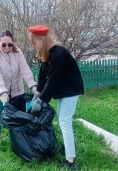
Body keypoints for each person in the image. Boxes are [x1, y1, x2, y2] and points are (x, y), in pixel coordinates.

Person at [28, 25, 84, 170]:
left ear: (42, 40)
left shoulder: (59, 53)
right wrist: (37, 93)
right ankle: (67, 148)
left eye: (34, 42)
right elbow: (42, 76)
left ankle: (71, 162)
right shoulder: (48, 53)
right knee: (62, 119)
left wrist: (41, 100)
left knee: (64, 121)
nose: (33, 46)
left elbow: (52, 80)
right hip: (64, 90)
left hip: (71, 90)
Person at [0, 30, 37, 152]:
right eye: (3, 44)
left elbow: (25, 70)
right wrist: (3, 92)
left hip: (17, 91)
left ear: (13, 43)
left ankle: (15, 139)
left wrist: (32, 86)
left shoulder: (18, 53)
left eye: (9, 44)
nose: (6, 47)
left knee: (17, 117)